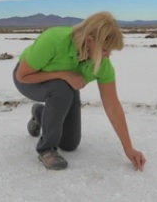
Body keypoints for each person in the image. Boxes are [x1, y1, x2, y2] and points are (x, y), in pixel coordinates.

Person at [13, 11, 146, 171]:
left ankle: (40, 114)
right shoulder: (54, 39)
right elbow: (23, 76)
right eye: (105, 50)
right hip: (30, 80)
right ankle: (46, 149)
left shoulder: (102, 65)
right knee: (61, 89)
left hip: (64, 88)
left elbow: (112, 105)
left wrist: (128, 148)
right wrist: (64, 74)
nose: (108, 55)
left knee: (70, 144)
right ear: (90, 40)